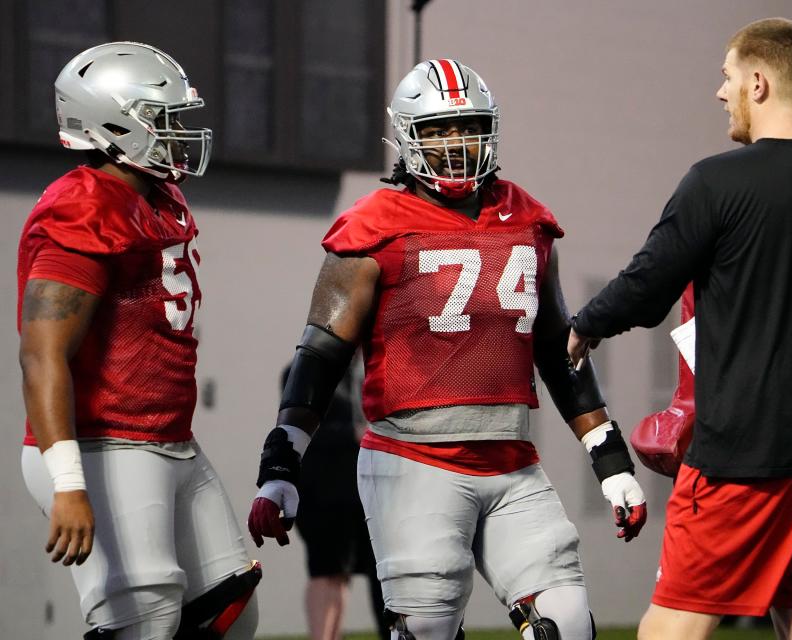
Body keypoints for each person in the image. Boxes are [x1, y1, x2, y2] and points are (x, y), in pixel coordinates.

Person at [247, 58, 648, 640]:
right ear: (407, 135)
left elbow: (556, 347)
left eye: (469, 126)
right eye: (438, 129)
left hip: (513, 464)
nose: (456, 143)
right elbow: (320, 355)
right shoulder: (374, 226)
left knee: (567, 626)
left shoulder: (527, 220)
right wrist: (281, 463)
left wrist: (608, 459)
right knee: (426, 631)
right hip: (414, 465)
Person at [568, 18, 792, 640]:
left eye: (728, 76)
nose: (721, 92)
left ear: (761, 82)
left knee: (673, 625)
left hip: (744, 452)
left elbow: (647, 284)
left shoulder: (716, 181)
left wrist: (583, 327)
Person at [18, 42, 259, 639]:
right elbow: (41, 352)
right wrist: (68, 483)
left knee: (230, 613)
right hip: (104, 446)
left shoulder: (157, 195)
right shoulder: (85, 207)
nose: (178, 134)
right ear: (112, 122)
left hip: (169, 438)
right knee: (144, 622)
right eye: (163, 119)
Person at [282, 362, 391, 640]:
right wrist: (351, 432)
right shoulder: (305, 370)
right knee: (326, 570)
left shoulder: (369, 370)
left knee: (346, 574)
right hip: (322, 493)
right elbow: (296, 429)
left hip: (361, 492)